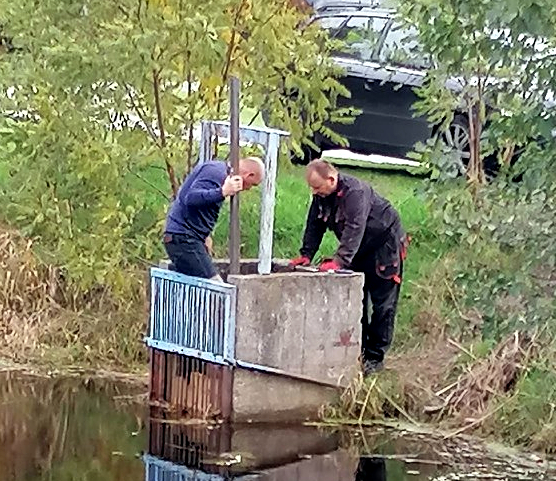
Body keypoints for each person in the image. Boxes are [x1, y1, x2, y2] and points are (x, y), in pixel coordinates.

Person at [289, 159, 406, 373]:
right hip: (358, 249)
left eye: (317, 187)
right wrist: (306, 254)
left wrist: (339, 261)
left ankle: (375, 358)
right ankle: (357, 352)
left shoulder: (356, 193)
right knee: (356, 300)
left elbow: (355, 227)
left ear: (331, 179)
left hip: (384, 245)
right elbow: (314, 224)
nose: (314, 192)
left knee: (383, 305)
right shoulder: (322, 196)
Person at [162, 155, 265, 278]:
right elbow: (190, 197)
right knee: (214, 287)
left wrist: (205, 236)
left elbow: (200, 206)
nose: (248, 189)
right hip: (184, 238)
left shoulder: (218, 171)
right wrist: (222, 192)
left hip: (185, 237)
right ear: (249, 175)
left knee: (194, 289)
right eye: (252, 185)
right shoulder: (215, 173)